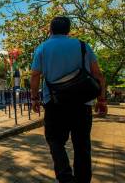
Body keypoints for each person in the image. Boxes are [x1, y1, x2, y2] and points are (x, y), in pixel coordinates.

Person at [30, 16, 107, 183]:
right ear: (68, 30)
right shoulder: (82, 46)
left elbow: (35, 75)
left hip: (55, 104)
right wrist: (101, 100)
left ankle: (65, 177)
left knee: (55, 141)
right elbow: (98, 74)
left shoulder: (42, 48)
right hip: (82, 104)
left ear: (50, 30)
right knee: (82, 146)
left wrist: (35, 98)